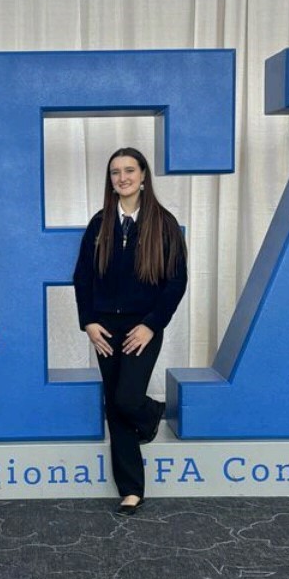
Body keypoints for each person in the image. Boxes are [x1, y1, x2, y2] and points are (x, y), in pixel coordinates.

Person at [73, 147, 187, 516]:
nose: (122, 178)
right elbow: (83, 278)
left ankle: (151, 412)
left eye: (129, 171)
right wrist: (89, 322)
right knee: (116, 405)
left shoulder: (164, 223)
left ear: (143, 176)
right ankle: (131, 489)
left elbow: (176, 282)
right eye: (115, 173)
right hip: (104, 327)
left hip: (143, 327)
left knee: (125, 399)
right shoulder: (99, 224)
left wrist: (151, 325)